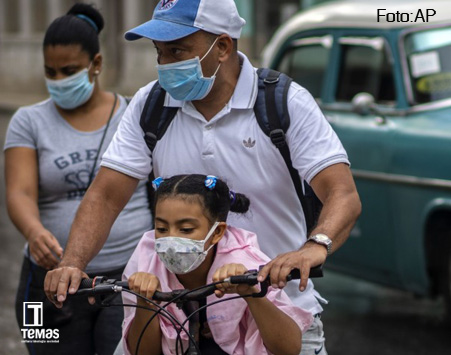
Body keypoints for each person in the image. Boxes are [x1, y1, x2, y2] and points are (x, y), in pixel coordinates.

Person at [44, 0, 361, 353]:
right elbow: (106, 194)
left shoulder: (284, 103)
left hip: (277, 317)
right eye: (159, 52)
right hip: (175, 323)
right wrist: (72, 263)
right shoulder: (151, 106)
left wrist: (314, 247)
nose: (164, 64)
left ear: (222, 46)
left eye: (177, 50)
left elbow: (342, 194)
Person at [4, 3, 152, 355]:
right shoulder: (28, 121)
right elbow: (19, 193)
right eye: (50, 72)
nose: (58, 81)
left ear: (96, 64)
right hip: (47, 281)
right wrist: (34, 231)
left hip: (124, 277)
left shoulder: (134, 114)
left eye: (68, 71)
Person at [122, 174, 313, 355]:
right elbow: (142, 351)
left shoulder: (249, 263)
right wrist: (144, 300)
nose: (171, 239)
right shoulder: (144, 261)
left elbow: (289, 348)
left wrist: (249, 292)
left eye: (186, 229)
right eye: (162, 228)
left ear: (217, 232)